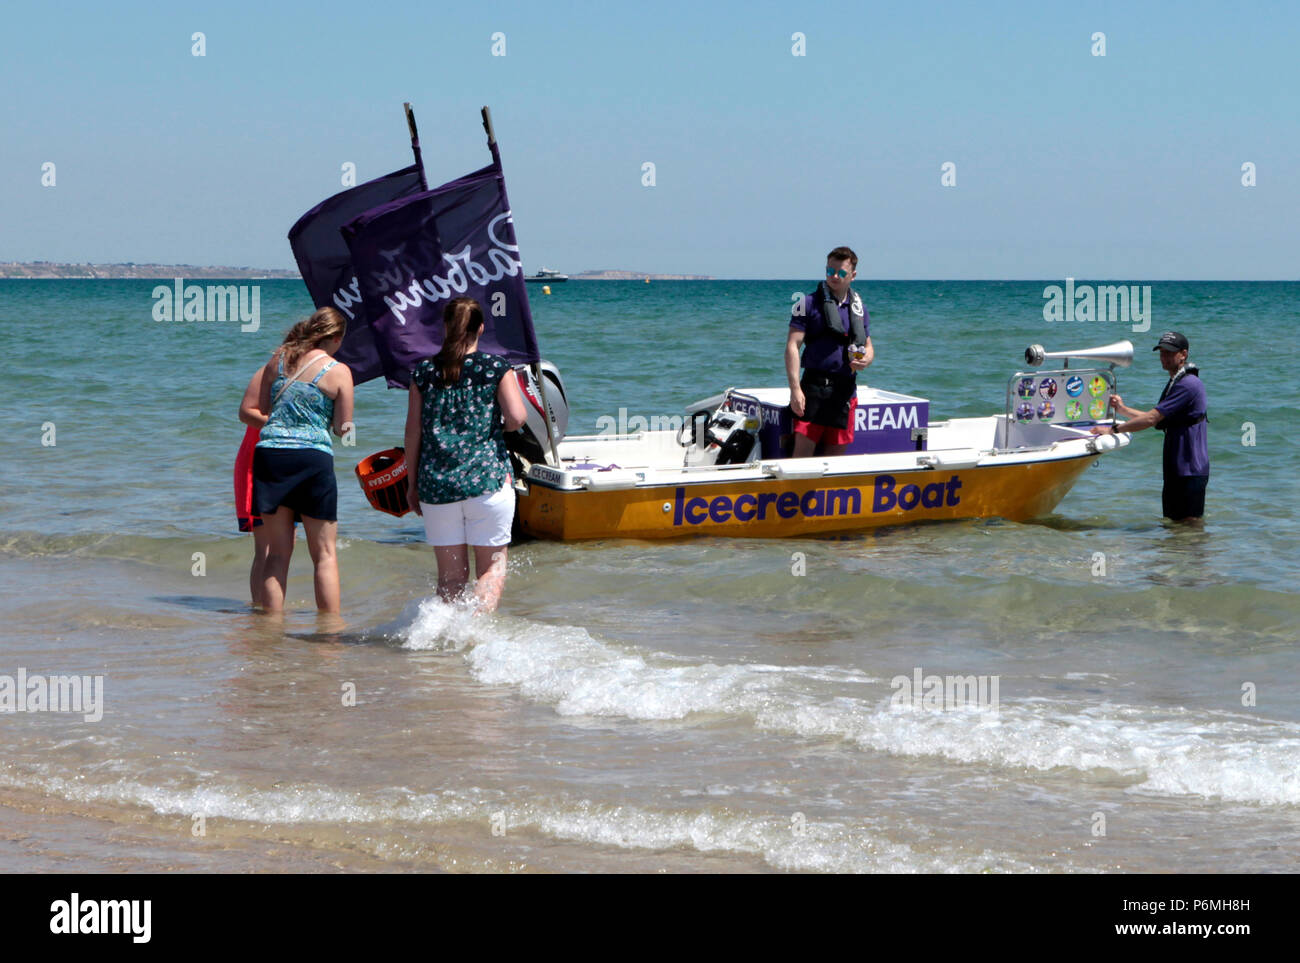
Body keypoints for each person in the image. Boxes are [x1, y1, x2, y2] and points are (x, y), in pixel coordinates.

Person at [404, 297, 527, 612]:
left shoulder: (424, 372)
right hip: (487, 481)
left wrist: (412, 485)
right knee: (490, 569)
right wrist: (493, 427)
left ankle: (444, 643)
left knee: (449, 579)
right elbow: (516, 417)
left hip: (437, 486)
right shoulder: (496, 367)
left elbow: (413, 432)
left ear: (445, 328)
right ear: (481, 328)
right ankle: (475, 638)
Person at [251, 307, 355, 612]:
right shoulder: (339, 371)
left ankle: (270, 632)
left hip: (270, 455)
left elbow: (266, 407)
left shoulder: (279, 360)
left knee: (277, 555)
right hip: (312, 459)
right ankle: (329, 634)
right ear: (335, 337)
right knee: (324, 554)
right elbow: (343, 427)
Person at [1091, 330, 1209, 523]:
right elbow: (1158, 418)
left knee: (1189, 527)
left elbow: (1151, 419)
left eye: (1169, 353)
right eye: (1161, 352)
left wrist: (1112, 430)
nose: (1164, 357)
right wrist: (1122, 409)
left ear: (1183, 354)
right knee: (1173, 526)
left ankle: (1193, 554)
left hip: (1190, 468)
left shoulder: (1188, 384)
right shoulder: (1176, 381)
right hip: (1178, 467)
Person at [785, 246, 874, 457]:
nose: (834, 276)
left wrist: (867, 358)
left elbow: (869, 347)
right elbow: (792, 346)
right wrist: (795, 389)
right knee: (802, 458)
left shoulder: (859, 308)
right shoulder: (805, 303)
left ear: (853, 276)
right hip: (813, 388)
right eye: (830, 271)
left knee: (834, 460)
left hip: (844, 391)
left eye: (841, 272)